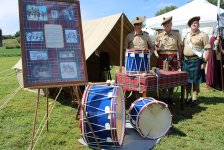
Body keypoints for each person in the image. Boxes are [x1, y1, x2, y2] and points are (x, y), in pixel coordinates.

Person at [182, 16, 210, 106]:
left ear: (198, 25)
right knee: (187, 80)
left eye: (196, 23)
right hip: (186, 61)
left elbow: (208, 49)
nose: (194, 24)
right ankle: (188, 96)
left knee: (195, 81)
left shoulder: (203, 35)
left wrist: (205, 62)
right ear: (190, 25)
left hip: (196, 60)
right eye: (193, 23)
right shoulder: (186, 35)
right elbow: (183, 47)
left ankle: (194, 98)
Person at [124, 16, 154, 98]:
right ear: (134, 26)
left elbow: (152, 46)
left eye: (140, 24)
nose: (138, 26)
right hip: (132, 64)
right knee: (133, 79)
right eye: (136, 24)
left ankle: (141, 95)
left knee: (143, 79)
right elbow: (125, 49)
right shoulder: (129, 36)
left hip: (143, 62)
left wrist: (150, 54)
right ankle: (135, 94)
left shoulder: (146, 35)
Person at [155, 16, 182, 105]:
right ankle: (162, 97)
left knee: (172, 78)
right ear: (163, 26)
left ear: (171, 24)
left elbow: (179, 48)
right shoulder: (159, 35)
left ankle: (170, 97)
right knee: (161, 77)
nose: (167, 25)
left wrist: (180, 60)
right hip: (162, 56)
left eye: (168, 23)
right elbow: (156, 47)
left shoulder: (177, 34)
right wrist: (157, 52)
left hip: (173, 56)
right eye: (165, 24)